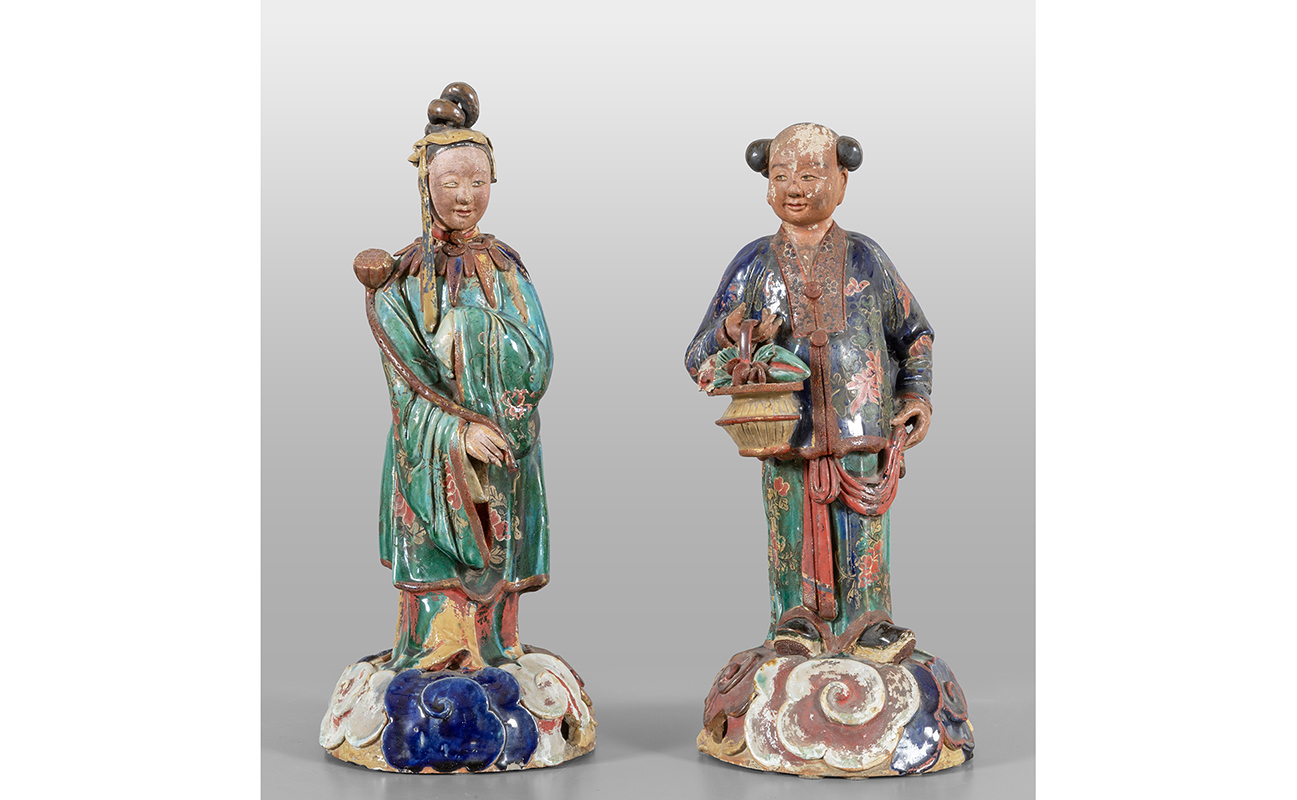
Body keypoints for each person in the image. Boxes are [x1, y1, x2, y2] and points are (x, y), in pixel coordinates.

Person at [685, 123, 935, 663]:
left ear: (842, 179)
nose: (794, 188)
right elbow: (696, 354)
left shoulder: (866, 257)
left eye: (810, 174)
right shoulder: (754, 263)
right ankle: (795, 619)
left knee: (863, 529)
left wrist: (916, 394)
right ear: (765, 184)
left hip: (860, 431)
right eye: (780, 176)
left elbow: (914, 333)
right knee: (789, 529)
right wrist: (730, 332)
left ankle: (869, 621)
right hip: (784, 431)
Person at [368, 84, 553, 671]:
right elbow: (405, 386)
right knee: (434, 570)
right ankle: (435, 649)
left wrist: (473, 331)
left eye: (478, 181)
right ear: (427, 186)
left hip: (502, 439)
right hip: (433, 447)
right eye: (450, 183)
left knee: (498, 565)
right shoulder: (402, 278)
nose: (465, 196)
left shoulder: (504, 267)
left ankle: (495, 648)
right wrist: (457, 431)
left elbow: (539, 356)